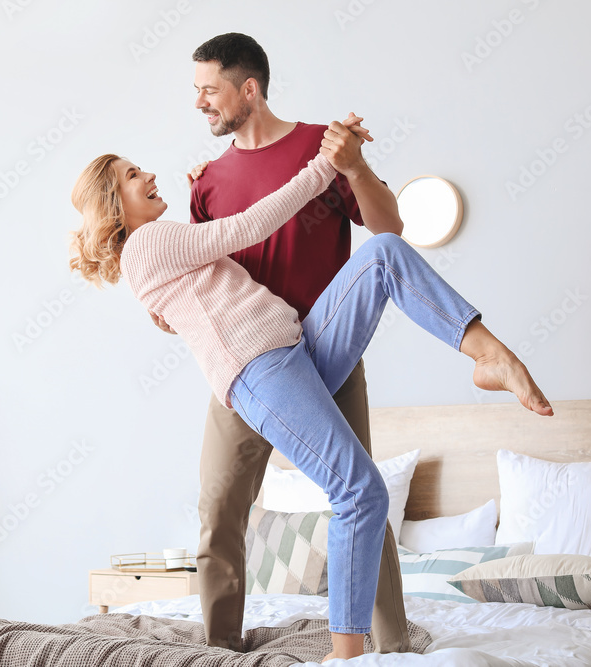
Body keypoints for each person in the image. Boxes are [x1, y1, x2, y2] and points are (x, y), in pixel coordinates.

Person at [67, 120, 554, 661]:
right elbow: (247, 226)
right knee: (359, 491)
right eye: (134, 175)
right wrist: (326, 167)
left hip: (295, 347)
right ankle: (345, 653)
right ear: (115, 205)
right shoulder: (149, 243)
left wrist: (204, 189)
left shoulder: (157, 245)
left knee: (383, 251)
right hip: (262, 370)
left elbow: (194, 288)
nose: (149, 173)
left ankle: (488, 353)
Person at [174, 32, 416, 656]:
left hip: (326, 356)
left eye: (209, 89)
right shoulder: (206, 184)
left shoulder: (321, 147)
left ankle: (393, 645)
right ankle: (219, 648)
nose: (199, 102)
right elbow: (202, 279)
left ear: (247, 88)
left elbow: (389, 231)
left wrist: (355, 165)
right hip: (245, 363)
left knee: (360, 493)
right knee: (218, 509)